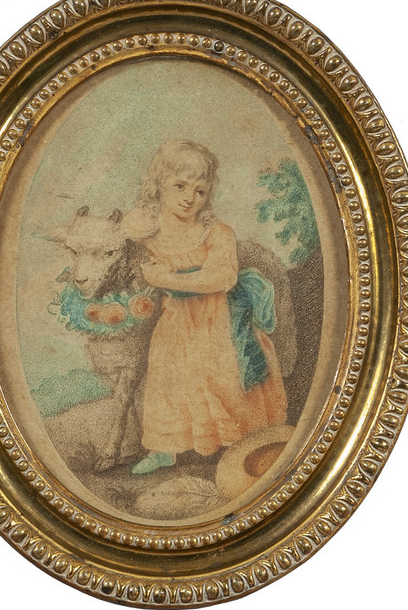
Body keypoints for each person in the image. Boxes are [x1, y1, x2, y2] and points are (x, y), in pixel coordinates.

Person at [123, 140, 288, 475]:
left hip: (220, 321)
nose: (190, 198)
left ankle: (239, 443)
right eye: (180, 186)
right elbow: (124, 239)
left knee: (222, 380)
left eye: (200, 191)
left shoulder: (218, 233)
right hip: (176, 322)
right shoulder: (149, 232)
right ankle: (164, 448)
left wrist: (167, 279)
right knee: (167, 382)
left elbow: (221, 278)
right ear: (159, 185)